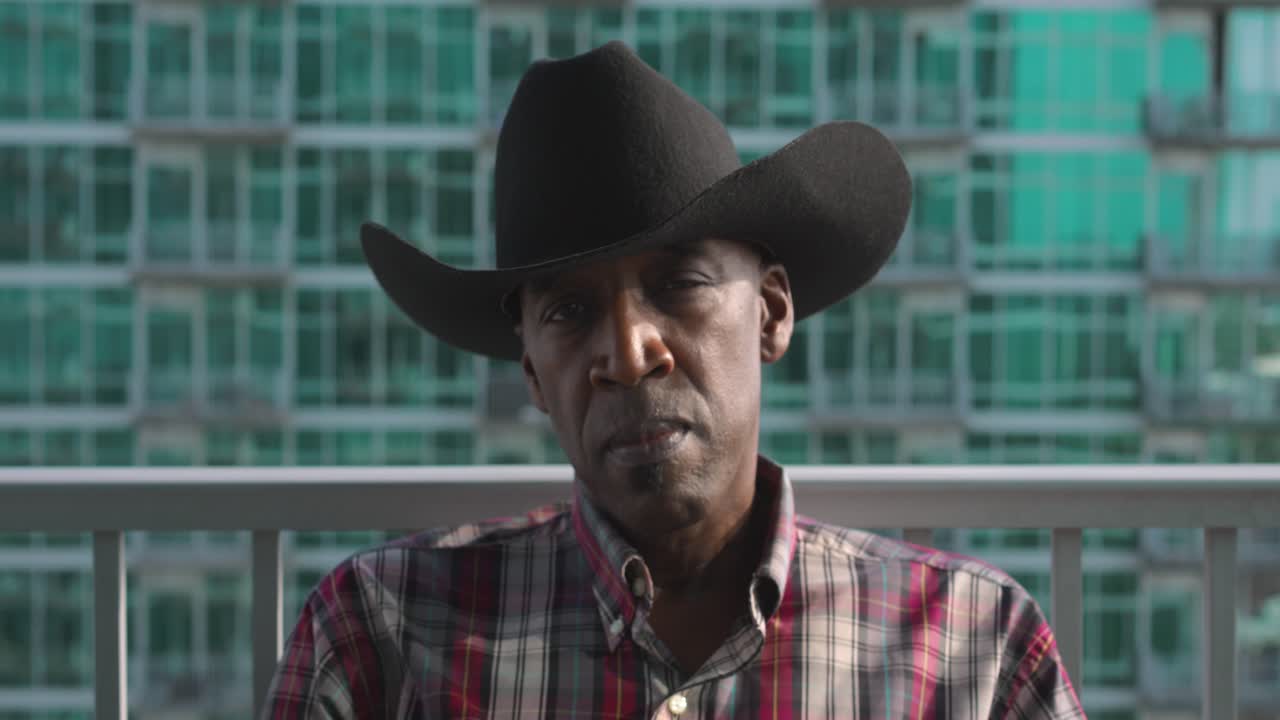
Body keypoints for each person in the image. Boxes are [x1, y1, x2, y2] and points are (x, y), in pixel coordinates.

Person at [262, 41, 1085, 719]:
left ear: (768, 313)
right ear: (534, 377)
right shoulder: (382, 631)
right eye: (569, 312)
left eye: (678, 285)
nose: (627, 352)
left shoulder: (973, 651)